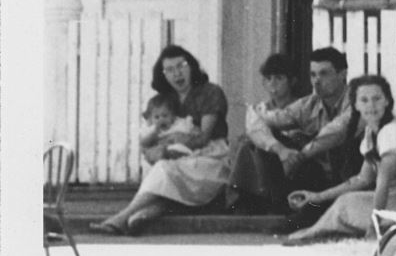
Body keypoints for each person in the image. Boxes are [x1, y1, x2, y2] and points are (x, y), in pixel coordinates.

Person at [282, 74, 396, 245]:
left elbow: (383, 183)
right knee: (345, 202)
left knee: (345, 206)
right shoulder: (372, 131)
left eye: (377, 98)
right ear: (355, 104)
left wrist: (373, 226)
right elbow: (362, 179)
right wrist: (316, 197)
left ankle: (317, 234)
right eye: (364, 100)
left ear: (387, 101)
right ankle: (320, 232)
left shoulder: (392, 130)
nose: (371, 105)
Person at [95, 44, 233, 235]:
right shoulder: (163, 101)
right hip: (179, 164)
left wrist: (170, 148)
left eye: (181, 66)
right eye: (169, 69)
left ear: (191, 66)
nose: (177, 73)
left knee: (164, 170)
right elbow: (149, 142)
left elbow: (203, 137)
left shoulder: (210, 92)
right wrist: (154, 151)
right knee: (164, 172)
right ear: (163, 75)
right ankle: (141, 216)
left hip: (210, 161)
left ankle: (121, 217)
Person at [233, 48, 358, 215]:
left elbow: (337, 131)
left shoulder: (358, 100)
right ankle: (268, 207)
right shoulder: (309, 104)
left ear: (342, 74)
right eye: (313, 75)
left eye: (324, 74)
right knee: (254, 144)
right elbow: (257, 120)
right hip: (320, 177)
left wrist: (300, 156)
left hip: (352, 178)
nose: (317, 81)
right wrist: (280, 149)